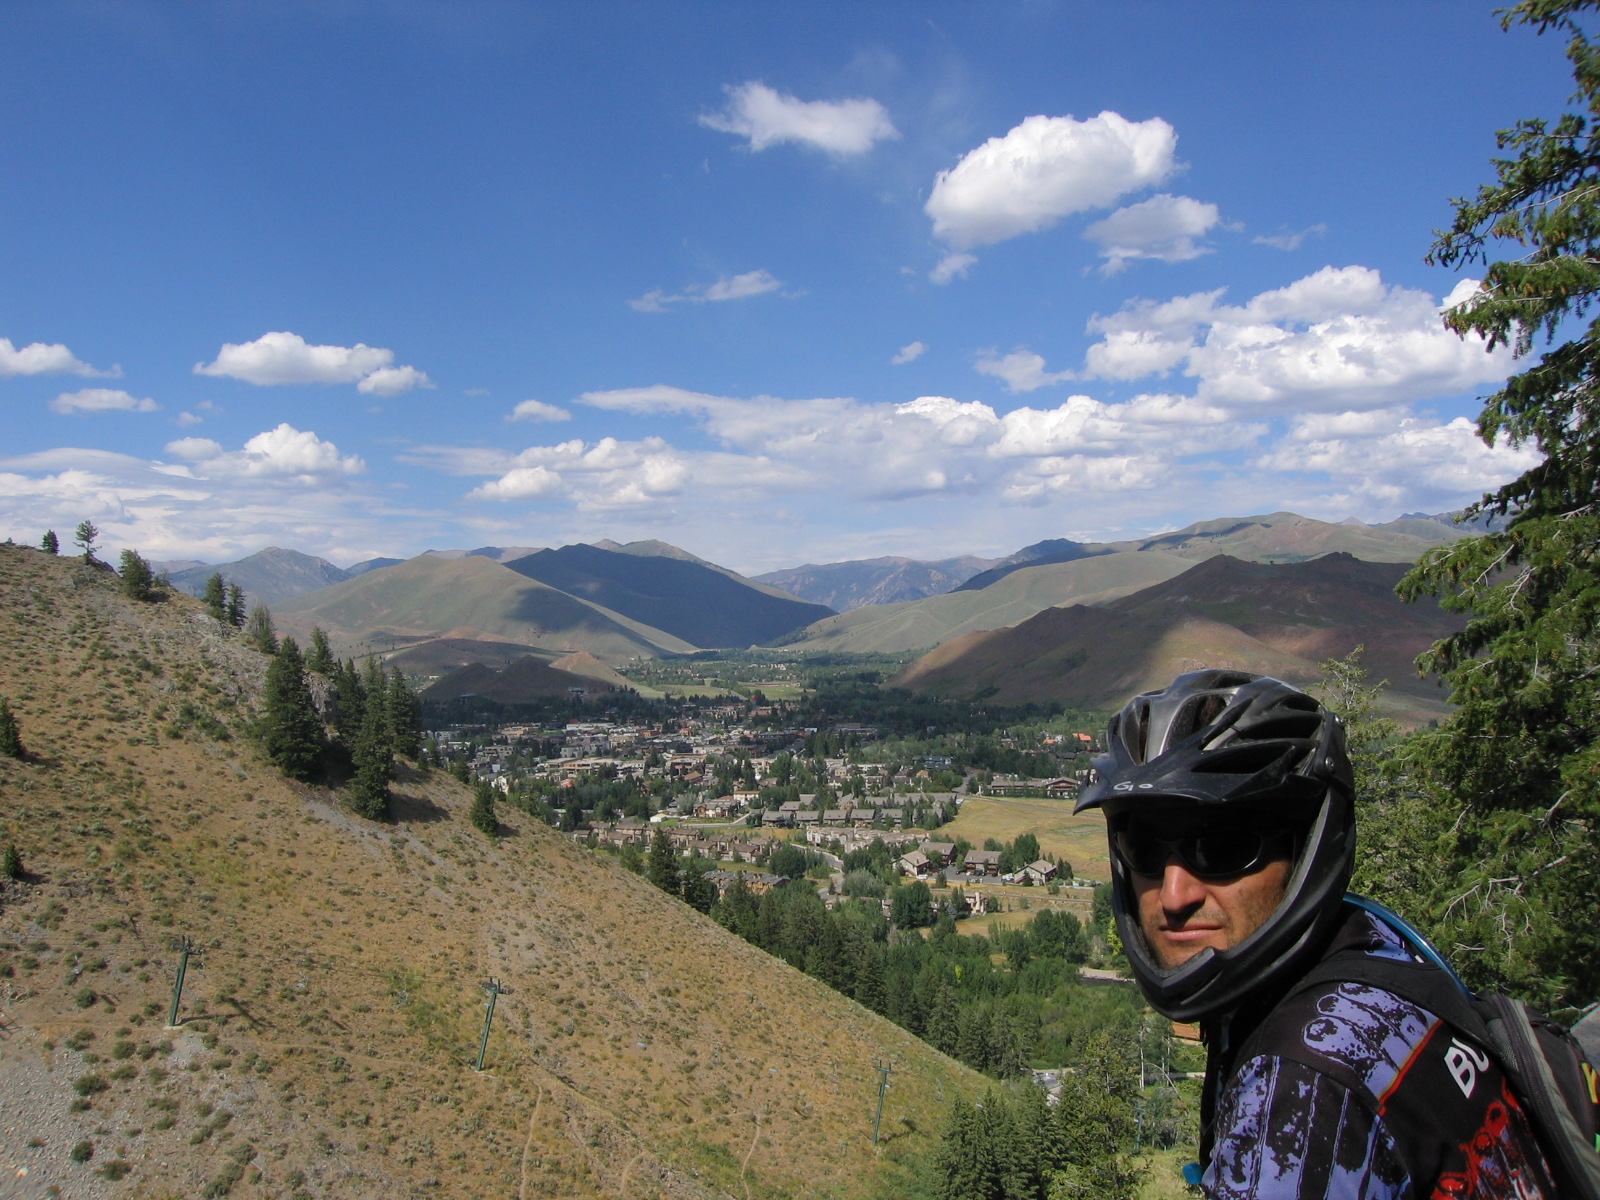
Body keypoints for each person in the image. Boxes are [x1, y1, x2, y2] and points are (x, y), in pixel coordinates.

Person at [1075, 668, 1559, 1199]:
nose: (1174, 896)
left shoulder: (1301, 1087)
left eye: (1223, 847)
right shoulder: (1376, 952)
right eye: (1143, 848)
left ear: (1306, 849)